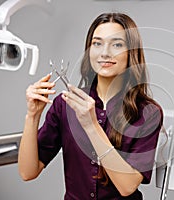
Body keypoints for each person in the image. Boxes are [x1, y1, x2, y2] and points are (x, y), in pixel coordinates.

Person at [18, 12, 163, 200]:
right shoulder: (65, 105)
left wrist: (91, 125)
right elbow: (28, 172)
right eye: (97, 43)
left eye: (117, 44)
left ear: (131, 52)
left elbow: (127, 187)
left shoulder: (148, 113)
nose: (104, 52)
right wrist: (32, 115)